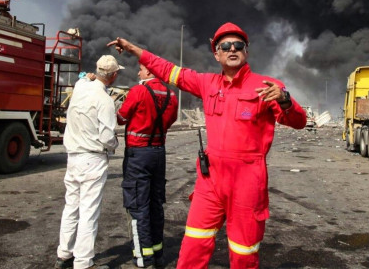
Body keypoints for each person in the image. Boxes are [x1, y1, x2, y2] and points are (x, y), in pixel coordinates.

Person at [108, 22, 307, 268]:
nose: (232, 49)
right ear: (216, 54)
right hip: (210, 182)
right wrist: (132, 49)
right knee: (192, 247)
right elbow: (168, 70)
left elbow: (299, 122)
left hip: (247, 183)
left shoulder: (267, 86)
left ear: (246, 51)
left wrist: (286, 100)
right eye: (225, 46)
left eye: (238, 45)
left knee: (243, 254)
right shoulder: (207, 83)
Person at [55, 55, 124, 269]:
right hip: (93, 158)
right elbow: (107, 137)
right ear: (114, 75)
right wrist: (115, 143)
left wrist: (87, 77)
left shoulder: (80, 87)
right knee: (89, 211)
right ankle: (83, 262)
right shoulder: (105, 100)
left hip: (73, 157)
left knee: (71, 207)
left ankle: (64, 254)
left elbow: (83, 78)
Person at [117, 64, 179, 268]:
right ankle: (157, 254)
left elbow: (121, 118)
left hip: (138, 155)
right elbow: (170, 120)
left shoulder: (139, 91)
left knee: (138, 206)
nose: (138, 72)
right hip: (159, 153)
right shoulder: (171, 95)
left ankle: (144, 258)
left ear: (150, 72)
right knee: (155, 204)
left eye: (141, 69)